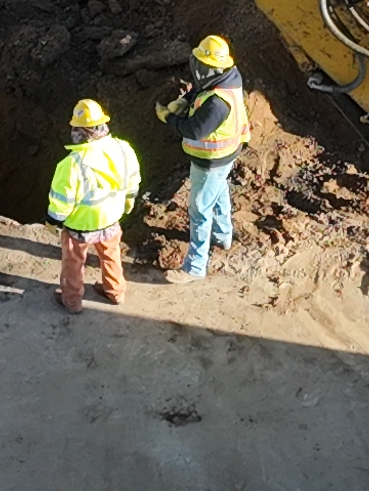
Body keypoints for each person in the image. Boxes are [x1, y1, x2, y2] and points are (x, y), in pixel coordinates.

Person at [158, 32, 248, 280]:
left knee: (199, 209)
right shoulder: (229, 76)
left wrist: (168, 117)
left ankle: (195, 267)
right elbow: (201, 89)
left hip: (210, 161)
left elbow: (194, 130)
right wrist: (184, 100)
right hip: (225, 156)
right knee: (218, 192)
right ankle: (223, 236)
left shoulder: (218, 103)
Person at [46, 94, 140, 312]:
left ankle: (72, 301)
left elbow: (62, 201)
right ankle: (115, 292)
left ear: (80, 132)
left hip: (80, 225)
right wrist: (129, 199)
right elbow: (133, 177)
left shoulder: (72, 164)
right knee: (111, 256)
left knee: (73, 263)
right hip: (111, 219)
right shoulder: (123, 149)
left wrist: (53, 220)